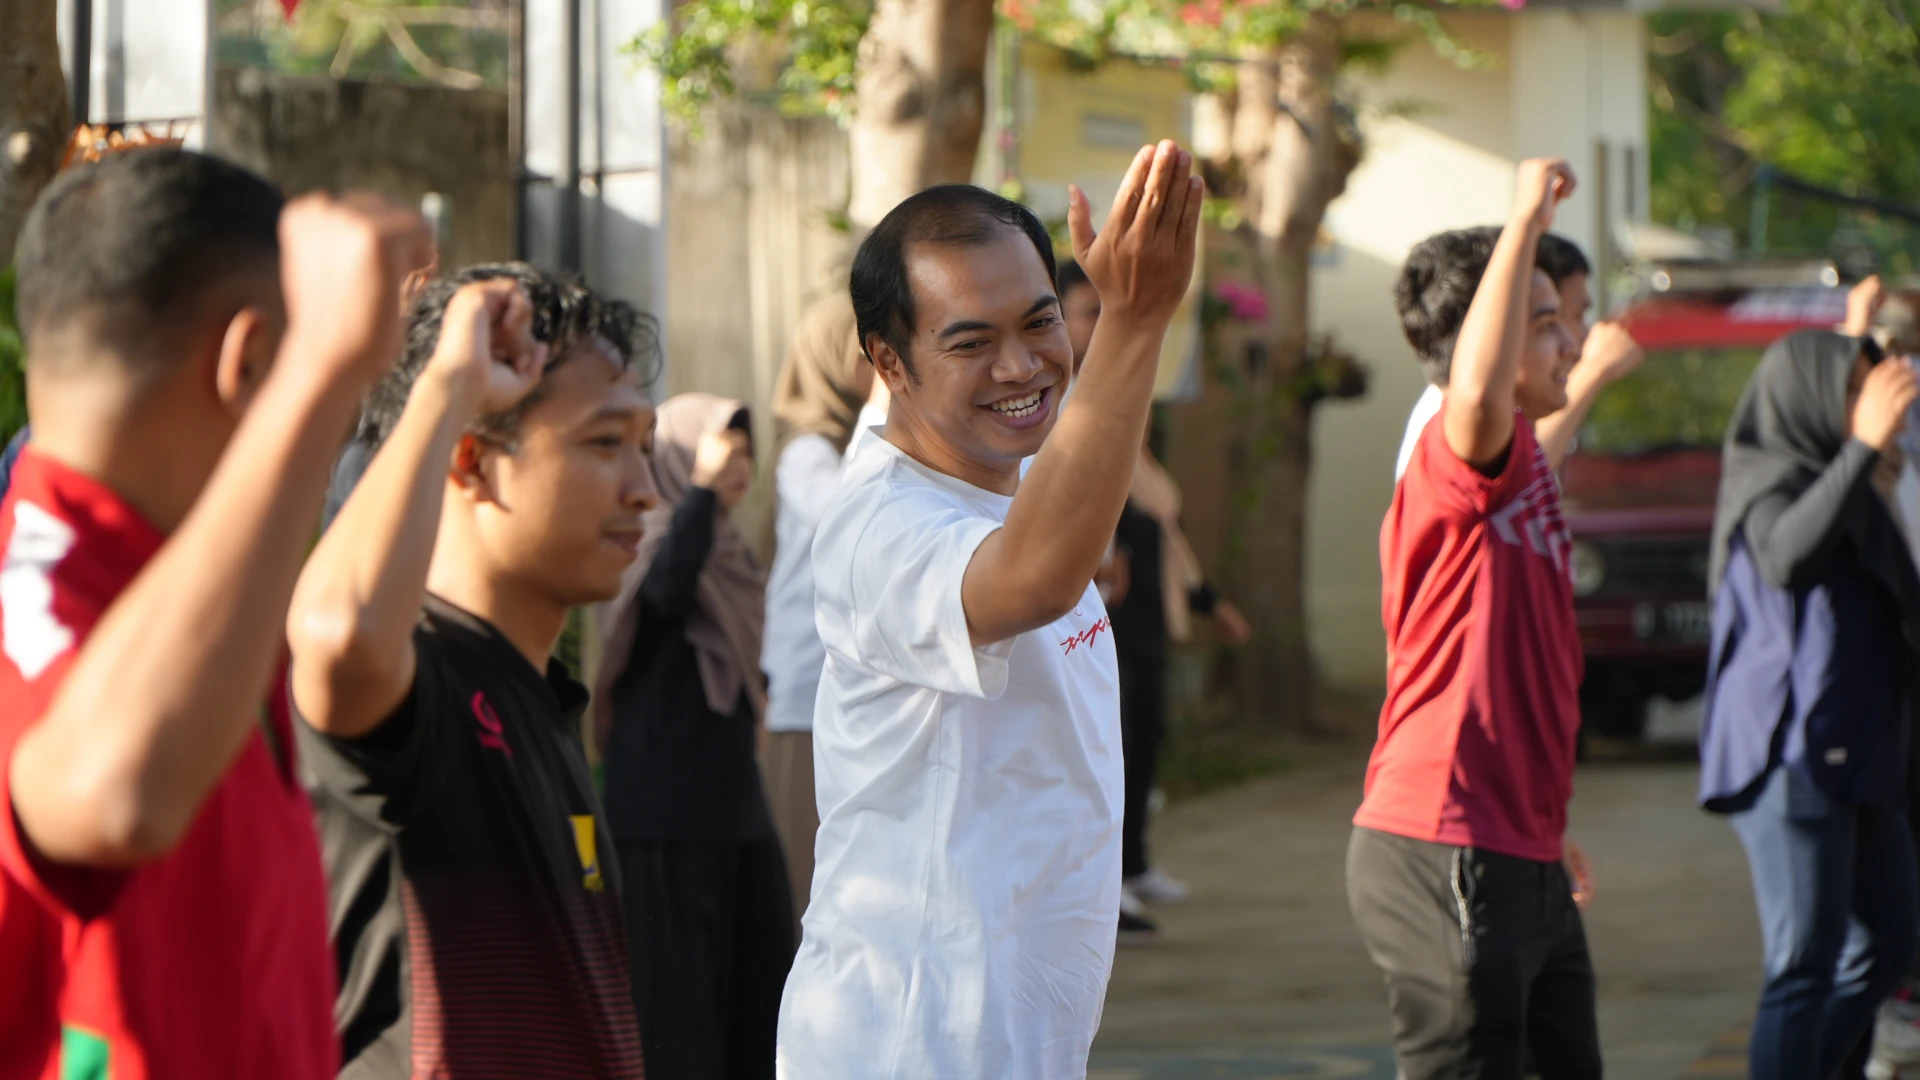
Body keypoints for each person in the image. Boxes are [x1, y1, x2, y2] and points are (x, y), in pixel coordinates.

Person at [0, 149, 430, 1077]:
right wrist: (319, 372)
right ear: (251, 360)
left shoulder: (196, 592)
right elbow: (115, 793)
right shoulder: (29, 600)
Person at [776, 141, 1202, 1079]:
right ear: (888, 362)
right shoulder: (878, 524)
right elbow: (1036, 579)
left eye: (1041, 322)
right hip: (911, 1044)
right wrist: (1134, 321)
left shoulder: (1010, 477)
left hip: (1023, 1037)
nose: (1021, 365)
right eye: (970, 343)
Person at [288, 263, 656, 1078]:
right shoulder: (418, 680)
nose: (645, 489)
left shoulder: (544, 702)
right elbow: (340, 632)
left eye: (646, 444)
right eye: (606, 443)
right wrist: (448, 384)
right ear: (471, 460)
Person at [1346, 158, 1602, 1080]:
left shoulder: (1524, 459)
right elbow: (1480, 391)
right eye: (1545, 324)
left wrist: (1544, 819)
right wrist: (1524, 220)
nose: (1570, 341)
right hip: (1446, 842)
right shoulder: (1456, 456)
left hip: (1520, 845)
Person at [1699, 329, 1920, 1080]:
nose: (1866, 404)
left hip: (1860, 753)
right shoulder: (1770, 478)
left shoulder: (1849, 484)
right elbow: (1788, 557)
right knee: (1804, 963)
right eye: (1850, 389)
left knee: (1889, 941)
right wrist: (1861, 447)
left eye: (1867, 388)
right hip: (1790, 757)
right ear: (1811, 396)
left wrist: (1865, 456)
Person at [594, 392, 793, 1080]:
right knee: (676, 1018)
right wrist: (701, 494)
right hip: (663, 816)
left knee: (759, 997)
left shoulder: (730, 550)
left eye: (744, 454)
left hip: (735, 808)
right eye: (720, 451)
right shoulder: (644, 541)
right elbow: (665, 595)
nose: (738, 466)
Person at [1056, 257, 1252, 945]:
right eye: (1088, 313)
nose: (1101, 326)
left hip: (1139, 610)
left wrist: (1207, 600)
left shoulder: (1122, 405)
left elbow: (1164, 527)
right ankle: (1100, 889)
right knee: (1103, 749)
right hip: (1093, 612)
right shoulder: (1056, 408)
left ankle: (1131, 866)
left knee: (1143, 737)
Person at [760, 293, 889, 927]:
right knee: (806, 890)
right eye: (873, 356)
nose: (886, 370)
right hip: (804, 698)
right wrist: (880, 410)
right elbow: (852, 519)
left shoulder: (855, 443)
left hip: (849, 691)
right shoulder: (805, 452)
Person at [1393, 230, 1642, 480]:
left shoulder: (1516, 418)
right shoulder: (1458, 419)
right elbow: (1522, 474)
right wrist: (1593, 370)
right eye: (1548, 322)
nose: (1574, 342)